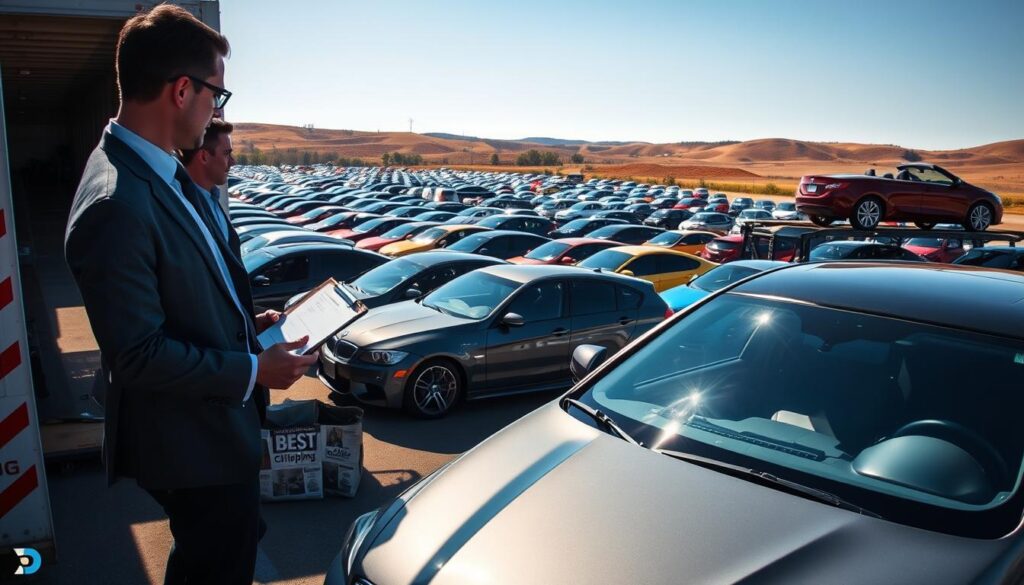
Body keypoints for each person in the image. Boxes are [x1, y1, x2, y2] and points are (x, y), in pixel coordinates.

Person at [63, 6, 317, 584]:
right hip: (192, 447)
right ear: (183, 90)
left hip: (210, 435)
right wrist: (254, 369)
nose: (218, 110)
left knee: (232, 546)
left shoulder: (158, 172)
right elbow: (138, 354)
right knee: (216, 565)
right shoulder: (116, 201)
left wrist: (249, 323)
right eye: (217, 96)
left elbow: (181, 293)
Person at [180, 117, 235, 237]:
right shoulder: (183, 210)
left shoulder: (212, 200)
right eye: (226, 154)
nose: (233, 162)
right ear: (204, 157)